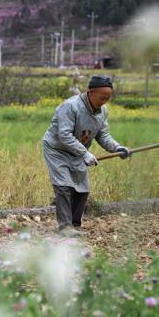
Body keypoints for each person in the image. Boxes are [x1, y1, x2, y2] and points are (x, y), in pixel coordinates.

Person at [42, 74, 130, 233]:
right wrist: (84, 153)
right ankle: (65, 227)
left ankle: (75, 224)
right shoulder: (70, 106)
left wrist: (117, 148)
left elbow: (103, 135)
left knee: (82, 189)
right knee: (64, 186)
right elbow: (64, 135)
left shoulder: (103, 111)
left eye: (108, 98)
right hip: (57, 149)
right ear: (91, 92)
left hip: (77, 151)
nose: (105, 101)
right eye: (102, 97)